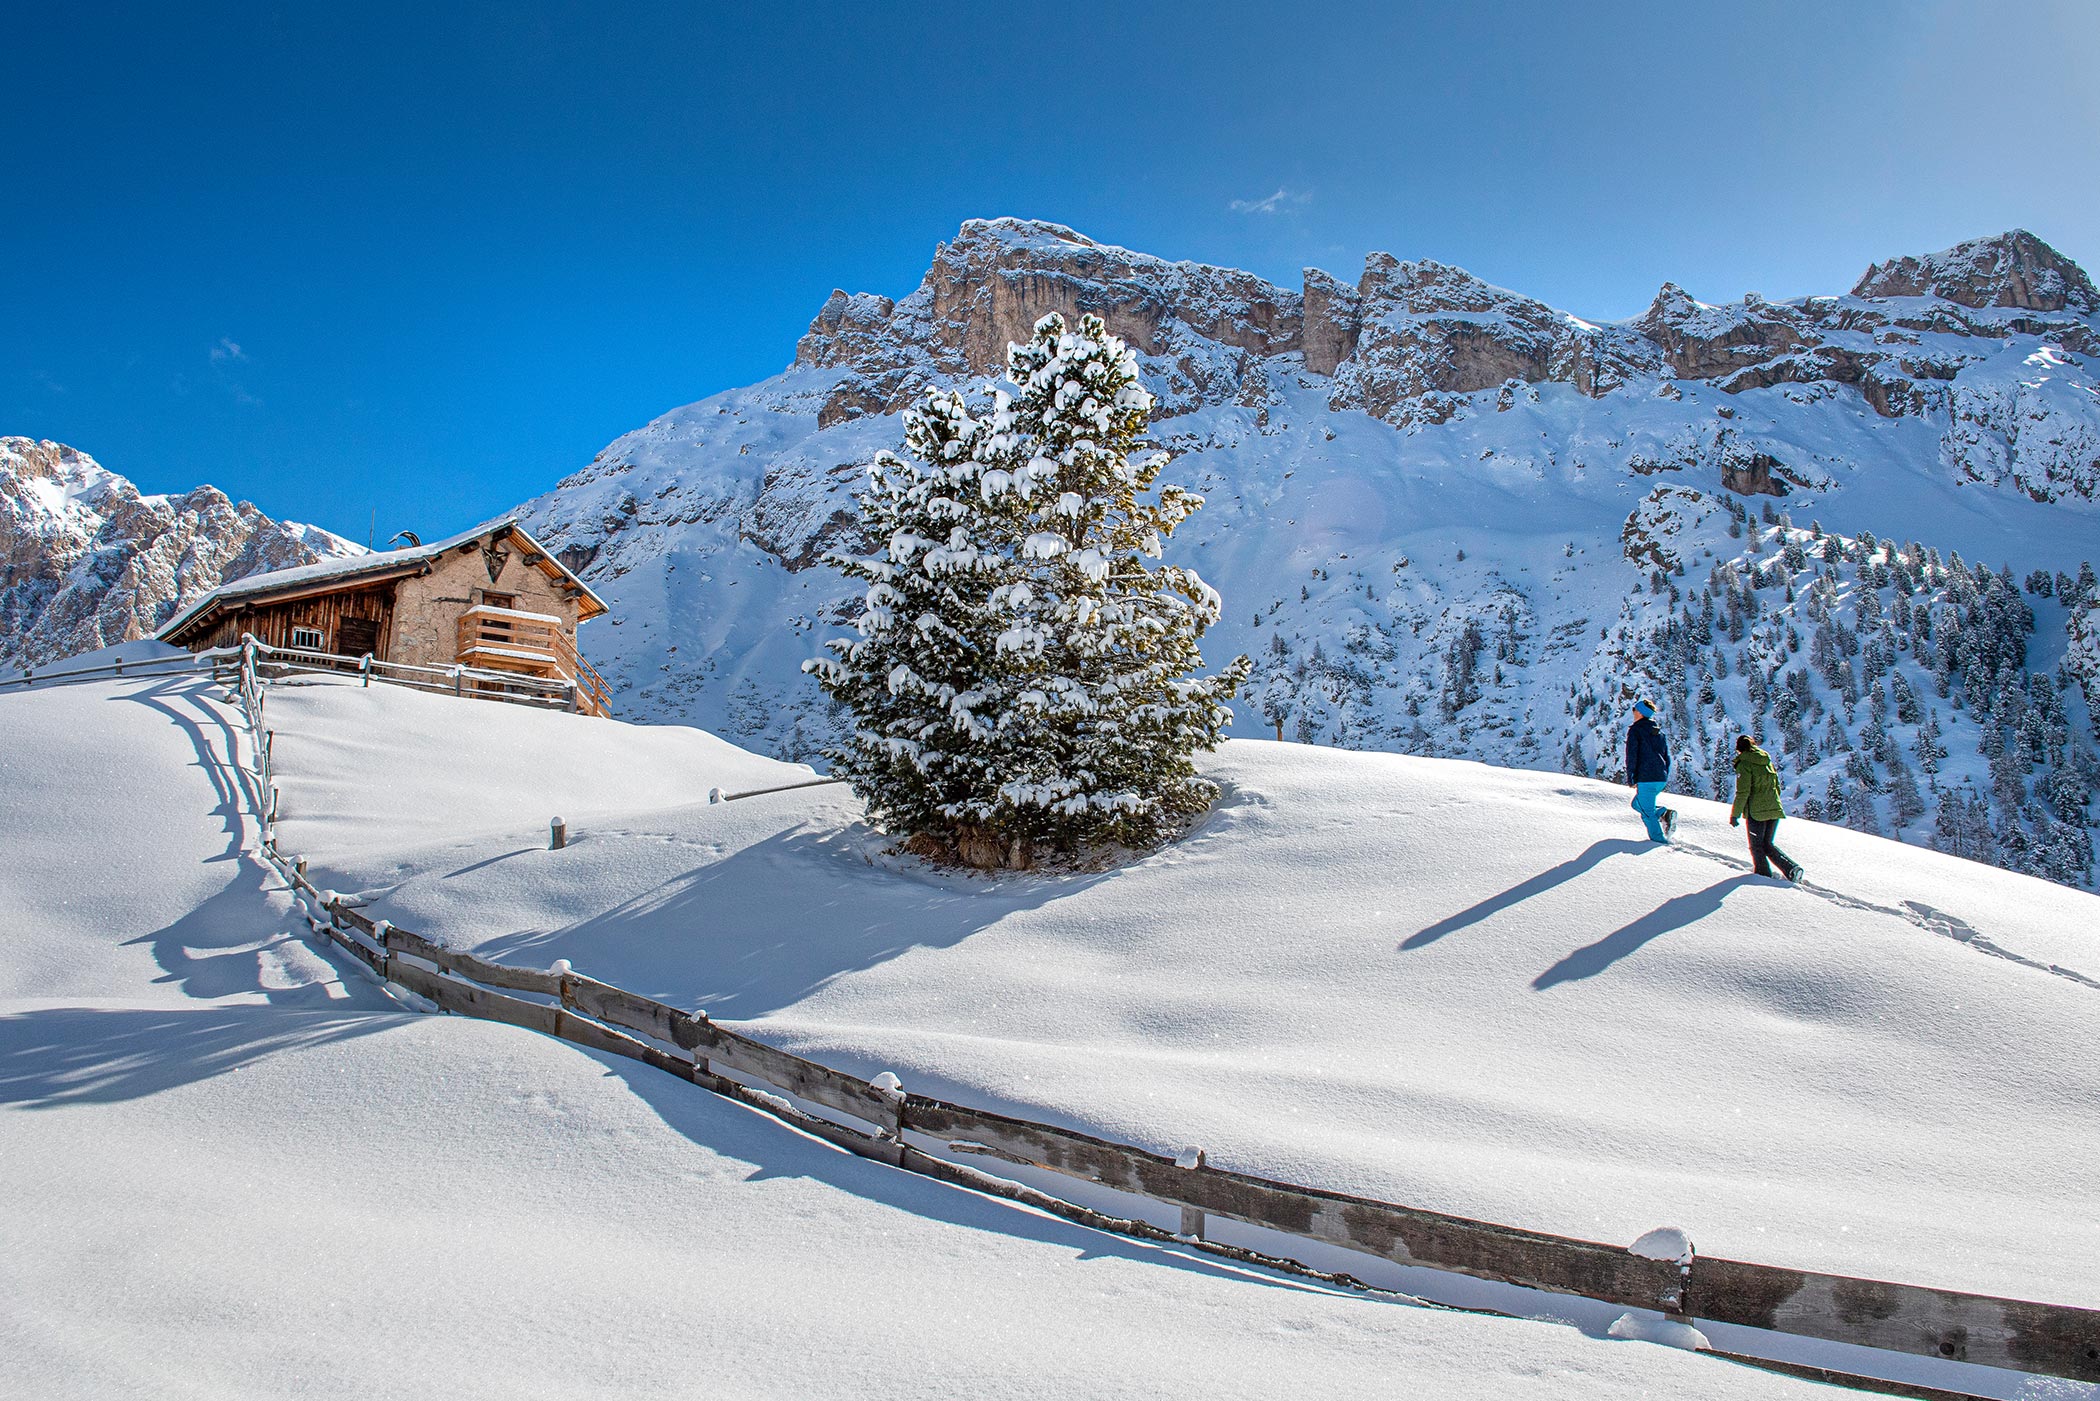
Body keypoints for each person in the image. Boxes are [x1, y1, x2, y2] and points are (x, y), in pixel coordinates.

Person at [1730, 735, 1804, 882]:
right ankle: (1792, 869)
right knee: (1767, 844)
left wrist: (1735, 815)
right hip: (1774, 808)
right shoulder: (1766, 761)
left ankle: (1762, 877)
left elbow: (1743, 792)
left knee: (1757, 846)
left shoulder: (1744, 764)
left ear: (1739, 749)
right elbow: (1777, 786)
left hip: (1757, 812)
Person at [1624, 699, 1676, 842]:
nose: (1633, 711)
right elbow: (1667, 756)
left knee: (1647, 813)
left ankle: (1659, 842)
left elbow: (1632, 755)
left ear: (1640, 712)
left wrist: (1632, 778)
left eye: (1634, 709)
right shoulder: (1658, 731)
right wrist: (1664, 773)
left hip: (1646, 778)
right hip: (1660, 777)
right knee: (1637, 804)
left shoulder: (1636, 730)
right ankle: (1664, 814)